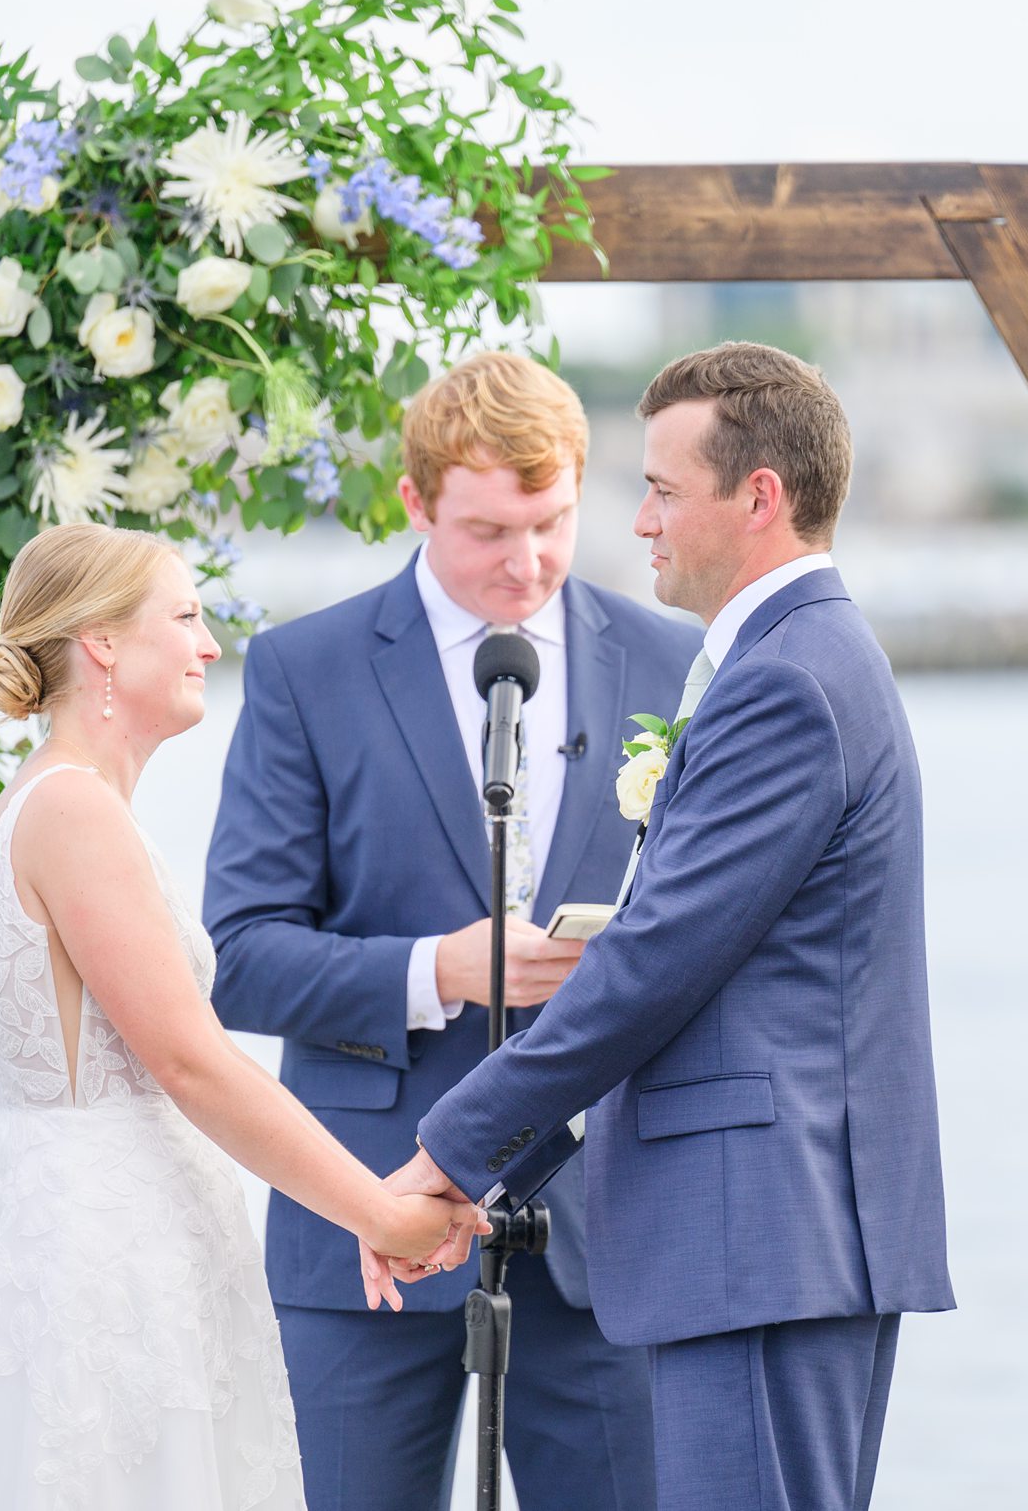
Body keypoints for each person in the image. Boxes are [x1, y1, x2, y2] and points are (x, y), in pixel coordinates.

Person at [375, 342, 955, 1511]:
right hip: (763, 1241)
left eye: (662, 489)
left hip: (765, 1242)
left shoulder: (789, 681)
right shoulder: (785, 662)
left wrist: (448, 1151)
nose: (636, 521)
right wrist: (499, 1177)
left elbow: (651, 969)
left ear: (759, 497)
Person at [0, 524, 482, 1511]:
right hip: (106, 1262)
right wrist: (374, 1210)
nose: (209, 646)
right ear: (105, 642)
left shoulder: (60, 802)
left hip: (104, 1225)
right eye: (188, 617)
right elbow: (191, 1061)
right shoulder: (73, 810)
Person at [205, 350, 697, 1510]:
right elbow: (237, 958)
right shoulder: (304, 671)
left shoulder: (677, 662)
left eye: (553, 522)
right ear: (417, 502)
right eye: (486, 531)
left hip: (606, 1232)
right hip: (362, 1227)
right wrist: (439, 969)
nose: (524, 564)